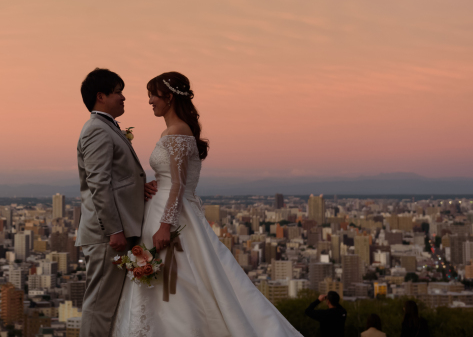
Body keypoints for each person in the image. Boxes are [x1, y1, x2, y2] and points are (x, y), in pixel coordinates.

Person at [112, 72, 303, 337]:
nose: (150, 101)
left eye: (153, 96)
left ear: (168, 97)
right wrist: (149, 184)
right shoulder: (171, 131)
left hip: (169, 216)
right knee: (173, 279)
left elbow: (177, 184)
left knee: (179, 281)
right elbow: (170, 178)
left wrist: (165, 226)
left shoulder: (178, 131)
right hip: (162, 209)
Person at [76, 68, 157, 337]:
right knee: (100, 304)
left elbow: (114, 180)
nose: (124, 98)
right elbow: (98, 183)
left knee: (111, 302)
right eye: (118, 92)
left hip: (116, 231)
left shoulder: (105, 127)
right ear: (101, 96)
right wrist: (114, 230)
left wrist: (138, 189)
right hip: (106, 235)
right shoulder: (96, 130)